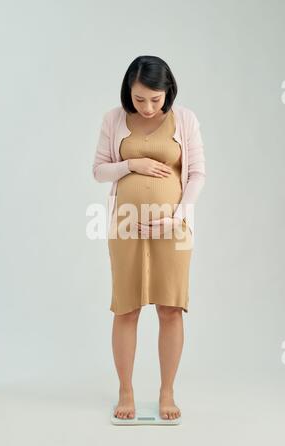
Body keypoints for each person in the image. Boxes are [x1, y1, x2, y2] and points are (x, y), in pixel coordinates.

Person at [93, 55, 206, 420]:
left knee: (171, 308)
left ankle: (166, 392)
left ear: (168, 92)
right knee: (126, 307)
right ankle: (125, 392)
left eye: (155, 100)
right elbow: (98, 171)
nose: (147, 107)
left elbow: (197, 175)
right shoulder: (113, 119)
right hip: (125, 224)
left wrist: (177, 216)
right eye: (140, 99)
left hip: (173, 229)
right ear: (129, 91)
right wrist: (132, 165)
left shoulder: (185, 120)